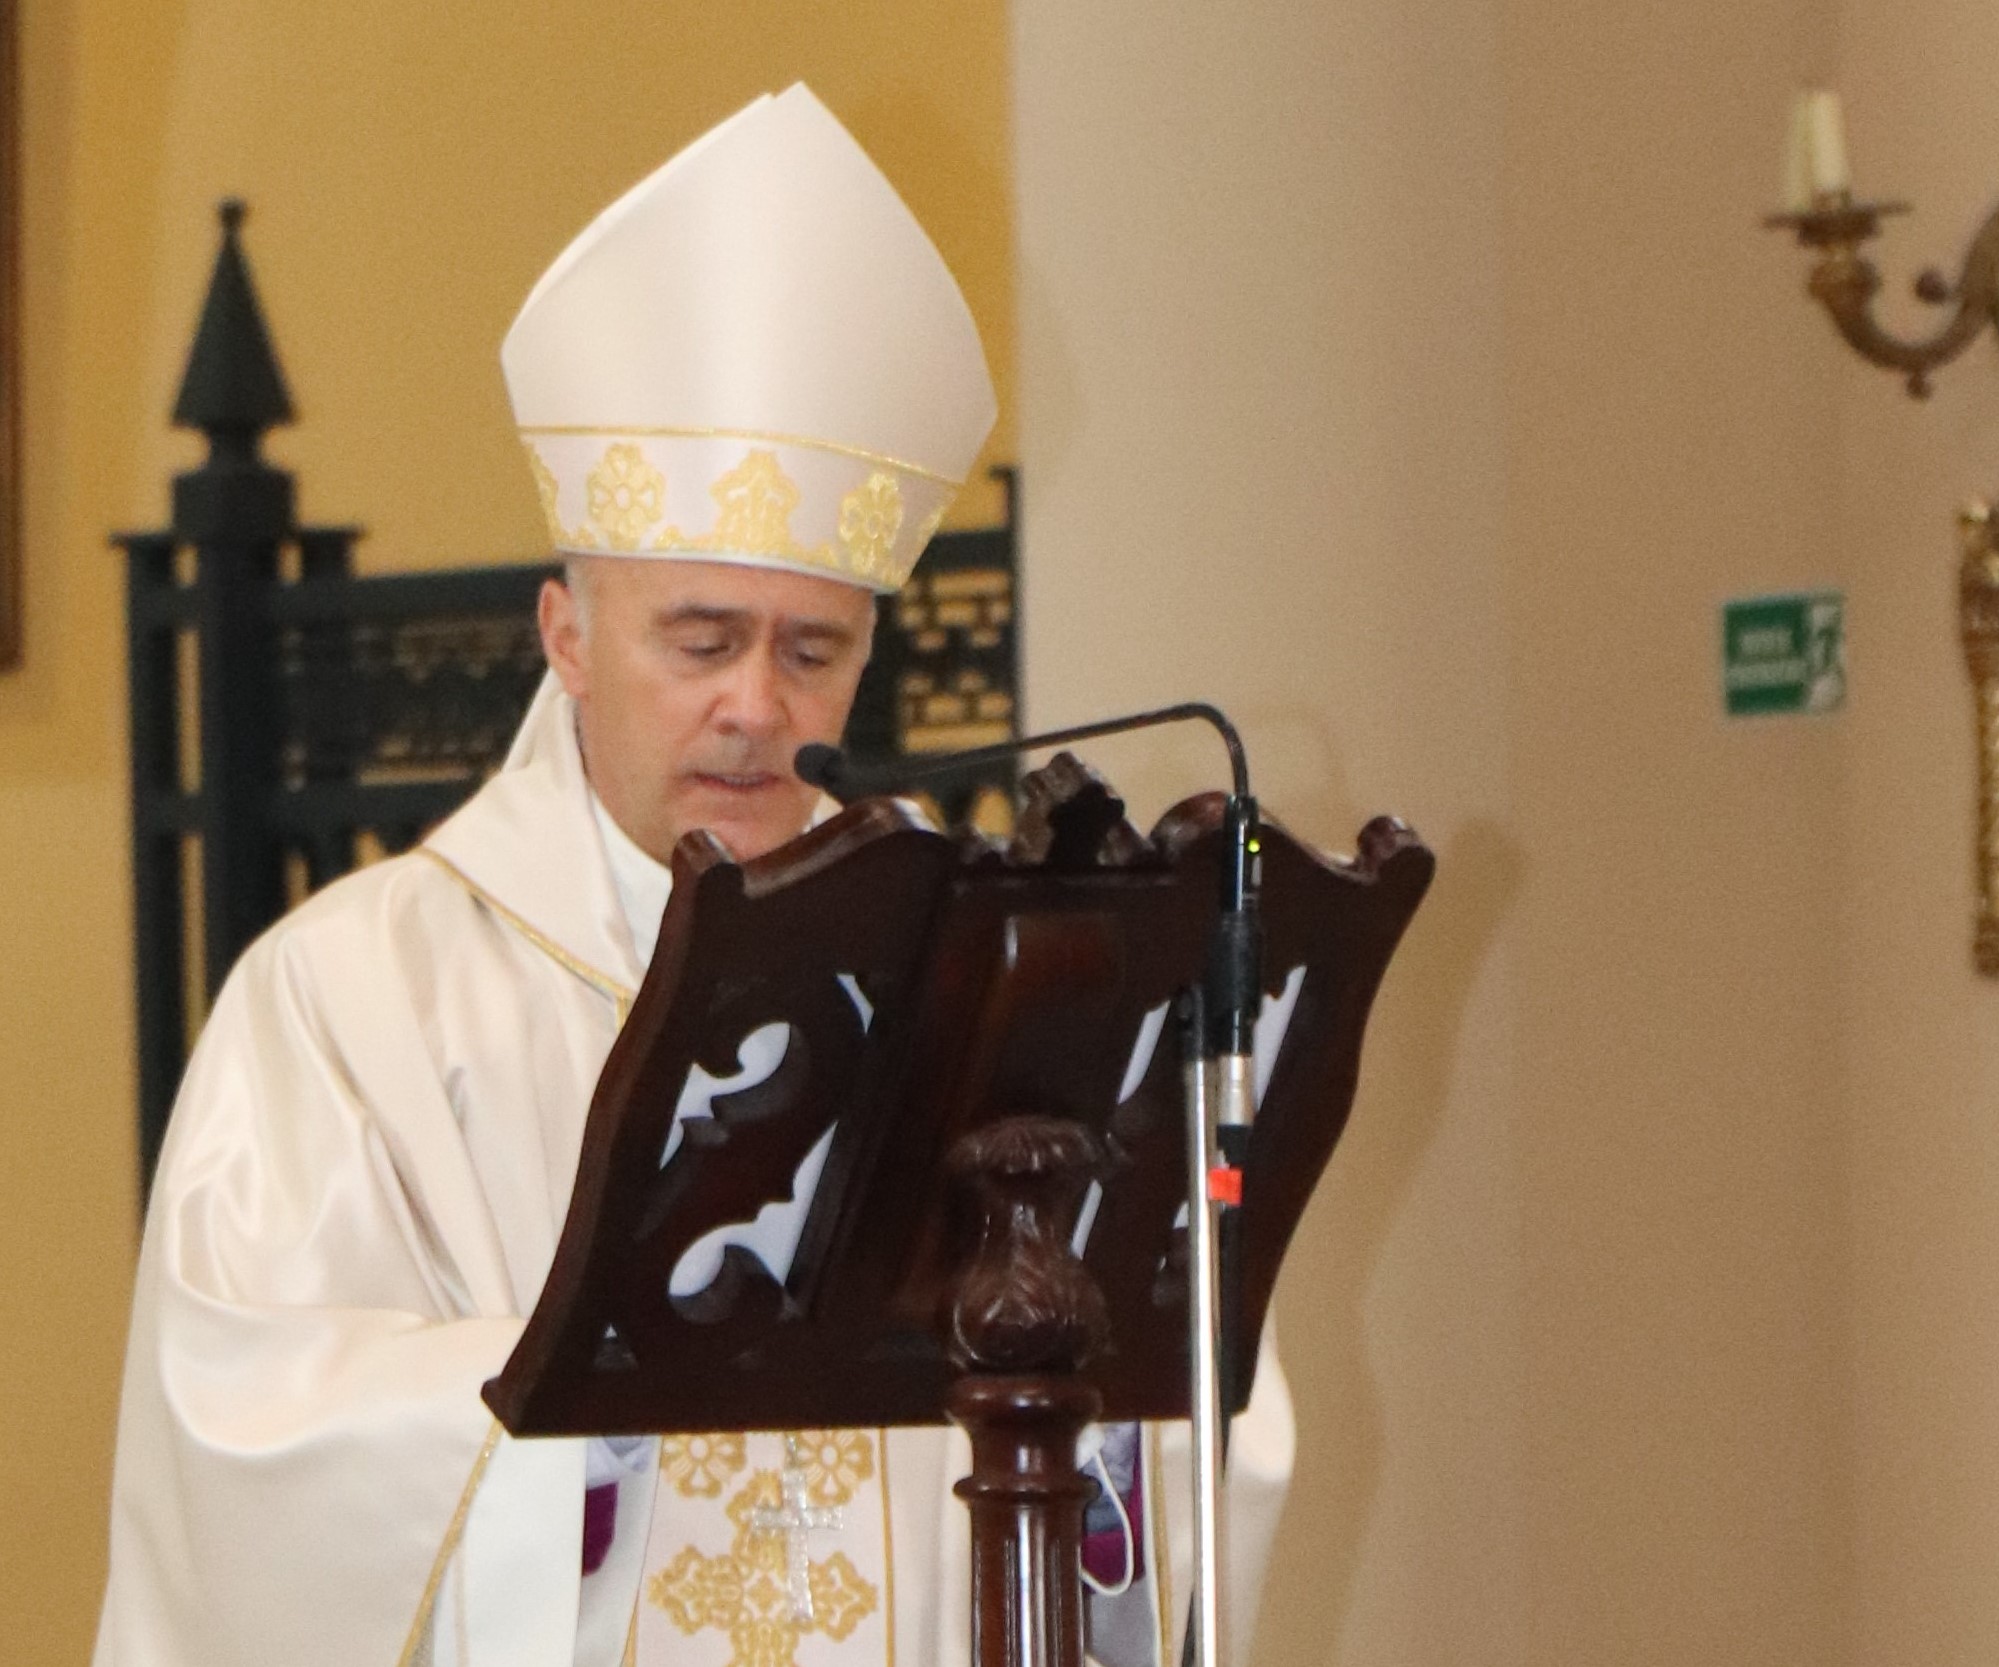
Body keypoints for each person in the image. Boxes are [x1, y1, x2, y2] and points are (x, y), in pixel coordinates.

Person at [92, 85, 1292, 1667]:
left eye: (814, 650)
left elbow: (1209, 1373)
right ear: (567, 640)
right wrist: (595, 1435)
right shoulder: (349, 1001)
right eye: (701, 640)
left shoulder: (989, 978)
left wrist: (1119, 1434)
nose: (758, 706)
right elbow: (243, 1446)